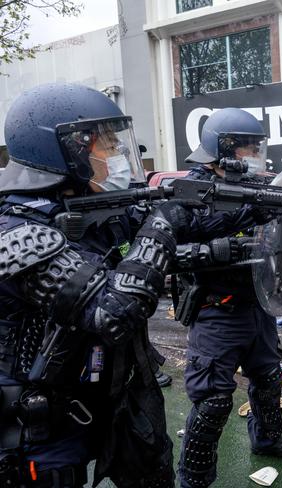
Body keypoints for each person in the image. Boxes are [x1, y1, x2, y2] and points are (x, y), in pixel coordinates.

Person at [0, 83, 180, 486]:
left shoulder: (85, 207)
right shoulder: (15, 231)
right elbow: (113, 312)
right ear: (69, 151)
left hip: (95, 396)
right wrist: (163, 224)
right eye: (107, 145)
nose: (117, 155)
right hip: (35, 426)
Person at [177, 108, 282, 487]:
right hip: (217, 308)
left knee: (268, 378)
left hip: (258, 304)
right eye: (246, 147)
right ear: (222, 148)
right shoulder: (193, 187)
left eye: (256, 146)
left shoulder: (257, 183)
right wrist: (251, 212)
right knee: (213, 400)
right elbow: (192, 228)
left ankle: (266, 439)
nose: (254, 154)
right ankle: (194, 478)